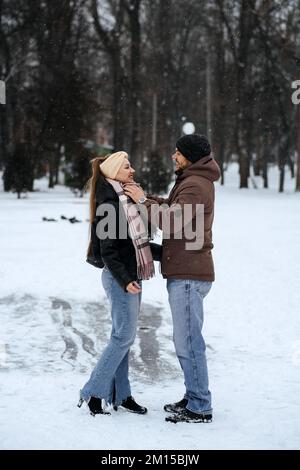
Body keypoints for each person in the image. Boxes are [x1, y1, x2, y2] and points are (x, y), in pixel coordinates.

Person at [124, 134, 221, 423]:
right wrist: (147, 197)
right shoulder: (192, 180)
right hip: (186, 270)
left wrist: (141, 200)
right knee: (186, 340)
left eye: (177, 152)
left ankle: (200, 406)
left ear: (189, 156)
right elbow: (171, 207)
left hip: (190, 274)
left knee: (189, 342)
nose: (173, 156)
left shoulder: (195, 184)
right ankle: (194, 396)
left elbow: (170, 220)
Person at [78, 151, 155, 416]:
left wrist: (168, 253)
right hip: (119, 278)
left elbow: (137, 243)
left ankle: (121, 395)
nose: (131, 170)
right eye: (126, 166)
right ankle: (93, 392)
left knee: (124, 338)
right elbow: (110, 251)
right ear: (112, 171)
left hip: (132, 276)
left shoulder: (123, 199)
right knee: (122, 338)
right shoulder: (109, 202)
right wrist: (124, 281)